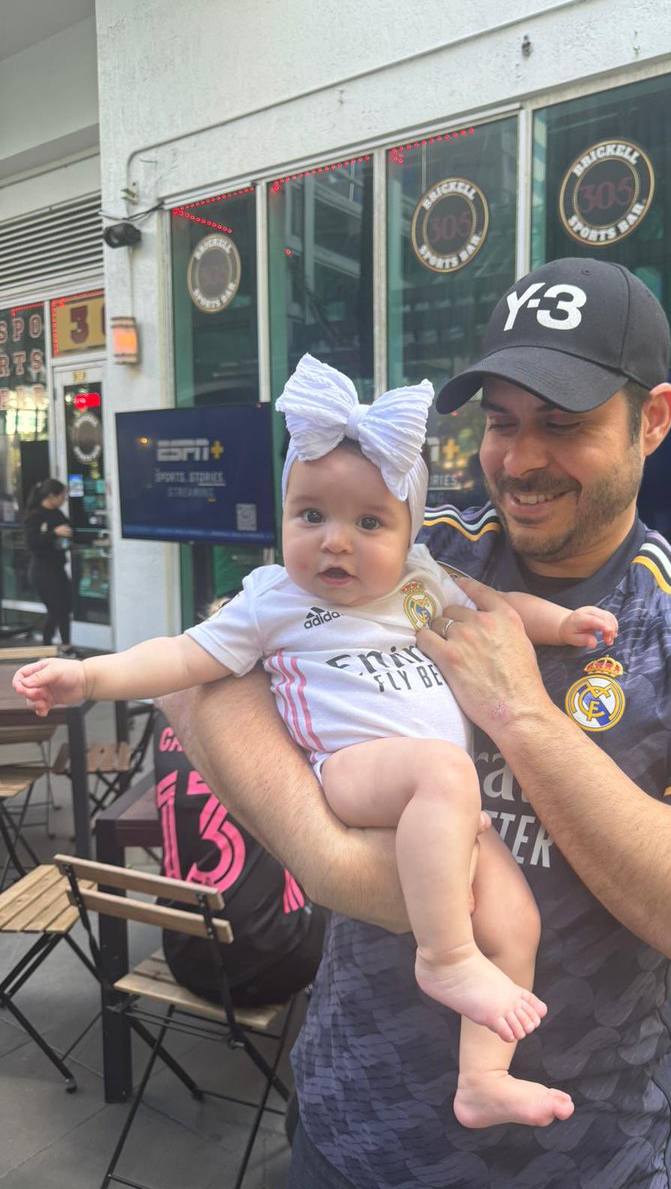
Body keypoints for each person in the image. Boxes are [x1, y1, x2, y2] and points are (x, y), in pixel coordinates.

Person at [149, 258, 671, 1189]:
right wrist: (328, 859)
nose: (520, 457)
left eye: (565, 423)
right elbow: (200, 681)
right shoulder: (410, 549)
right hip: (344, 1125)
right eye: (503, 422)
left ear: (654, 420)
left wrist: (523, 717)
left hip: (578, 1161)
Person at [13, 354, 617, 1130]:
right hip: (356, 776)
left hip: (443, 803)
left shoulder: (422, 584)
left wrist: (562, 625)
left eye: (369, 523)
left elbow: (496, 607)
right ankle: (444, 957)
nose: (335, 543)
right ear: (284, 515)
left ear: (408, 533)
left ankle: (482, 1080)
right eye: (312, 516)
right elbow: (183, 657)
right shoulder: (273, 600)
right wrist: (91, 679)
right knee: (442, 776)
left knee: (517, 921)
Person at [152, 706, 325, 1007]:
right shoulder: (275, 712)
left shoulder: (165, 714)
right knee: (350, 879)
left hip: (185, 958)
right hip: (278, 965)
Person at [23, 478, 74, 651]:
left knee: (66, 606)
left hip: (58, 567)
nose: (64, 500)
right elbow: (32, 543)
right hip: (42, 571)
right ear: (52, 496)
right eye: (62, 496)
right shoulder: (35, 515)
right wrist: (53, 533)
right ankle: (46, 647)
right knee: (55, 608)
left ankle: (66, 645)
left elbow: (69, 532)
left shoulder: (58, 514)